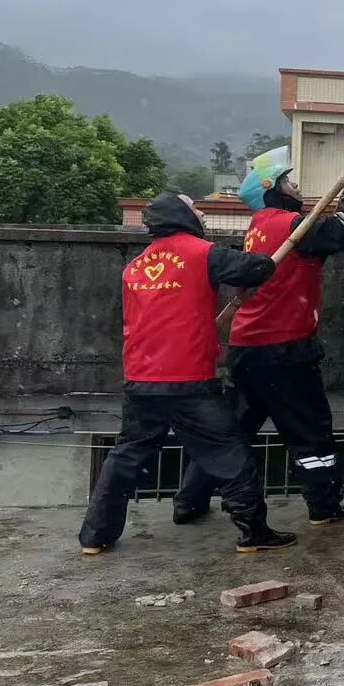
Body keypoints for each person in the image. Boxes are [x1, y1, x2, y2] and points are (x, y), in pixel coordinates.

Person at [79, 193, 295, 555]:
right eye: (195, 207)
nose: (201, 212)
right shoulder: (202, 253)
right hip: (189, 379)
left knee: (126, 456)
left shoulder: (135, 266)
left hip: (141, 377)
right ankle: (253, 530)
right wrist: (265, 258)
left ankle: (95, 535)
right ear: (181, 214)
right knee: (229, 454)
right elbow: (255, 269)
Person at [173, 148, 344, 527]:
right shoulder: (288, 225)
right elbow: (342, 231)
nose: (295, 186)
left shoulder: (259, 226)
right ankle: (324, 506)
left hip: (247, 348)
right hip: (285, 349)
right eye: (288, 181)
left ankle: (189, 502)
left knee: (231, 433)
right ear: (272, 189)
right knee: (309, 430)